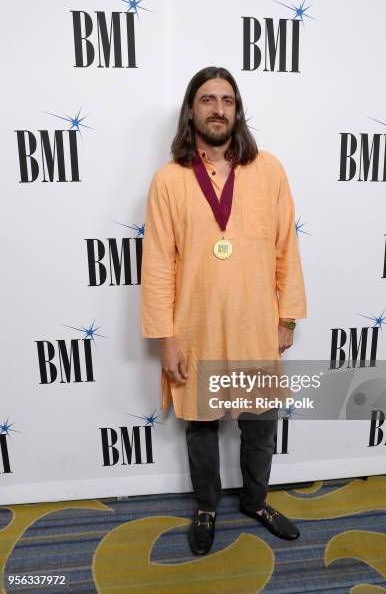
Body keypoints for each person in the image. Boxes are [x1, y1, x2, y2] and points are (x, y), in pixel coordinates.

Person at [140, 66, 307, 555]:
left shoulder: (269, 169)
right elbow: (157, 266)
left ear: (238, 110)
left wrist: (287, 317)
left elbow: (286, 249)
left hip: (256, 322)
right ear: (191, 110)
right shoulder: (168, 181)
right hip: (197, 326)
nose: (218, 109)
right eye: (208, 99)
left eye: (227, 100)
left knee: (259, 422)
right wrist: (166, 339)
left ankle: (256, 500)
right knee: (202, 424)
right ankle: (207, 506)